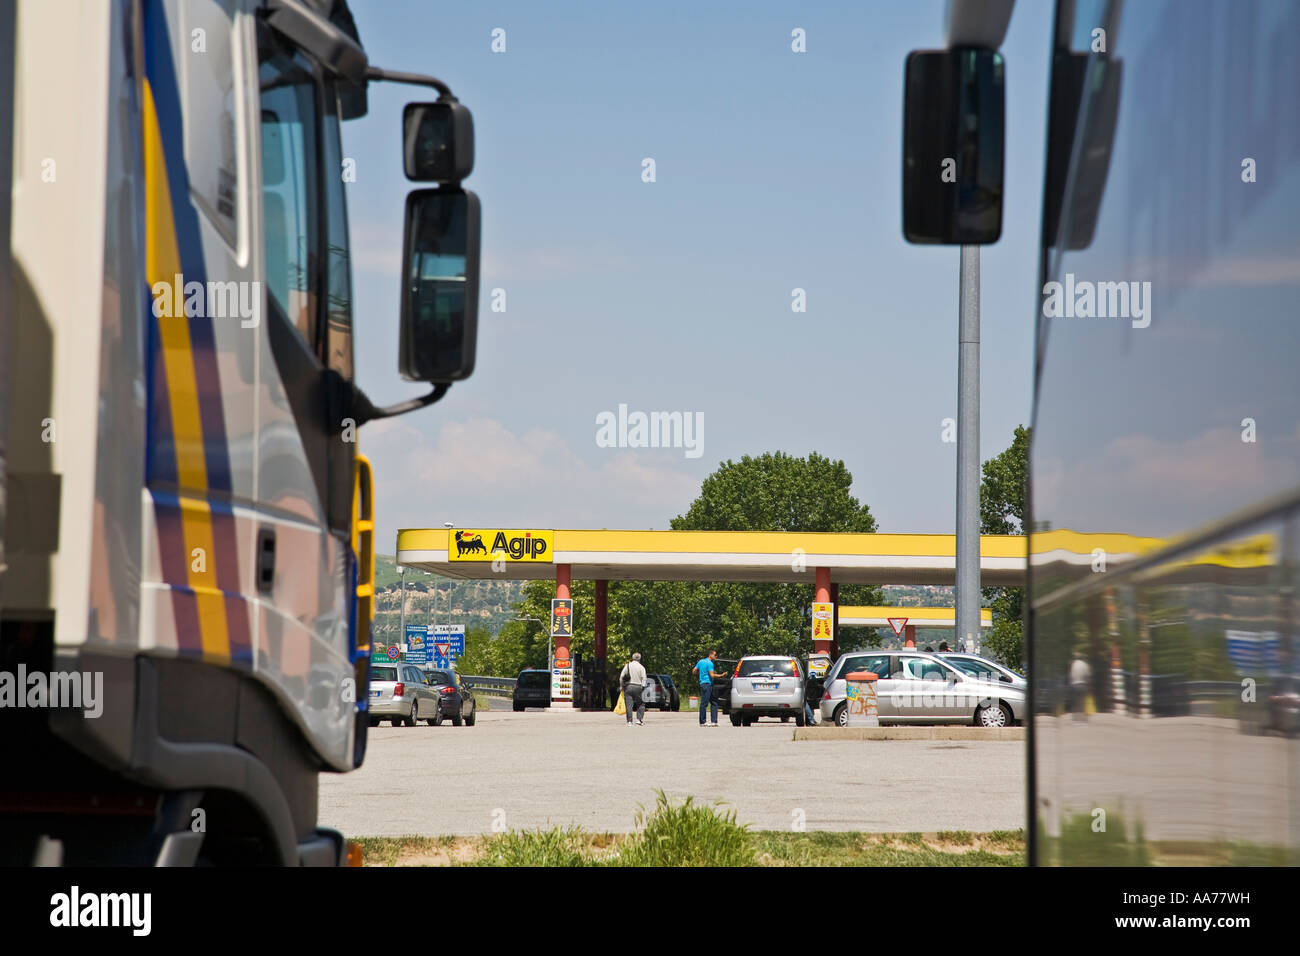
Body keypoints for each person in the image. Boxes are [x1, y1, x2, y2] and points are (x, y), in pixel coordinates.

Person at [694, 648, 721, 727]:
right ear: (710, 655)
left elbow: (694, 671)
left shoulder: (701, 661)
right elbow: (712, 675)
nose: (716, 656)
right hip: (707, 684)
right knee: (704, 703)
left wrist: (701, 673)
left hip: (703, 683)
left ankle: (714, 721)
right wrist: (721, 675)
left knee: (714, 702)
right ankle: (702, 722)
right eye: (715, 655)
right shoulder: (710, 663)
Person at [620, 652, 648, 726]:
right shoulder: (641, 667)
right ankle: (639, 719)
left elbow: (621, 676)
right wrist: (643, 687)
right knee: (641, 703)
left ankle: (629, 721)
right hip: (638, 686)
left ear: (632, 658)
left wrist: (622, 686)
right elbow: (644, 679)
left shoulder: (628, 666)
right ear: (639, 658)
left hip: (628, 687)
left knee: (629, 705)